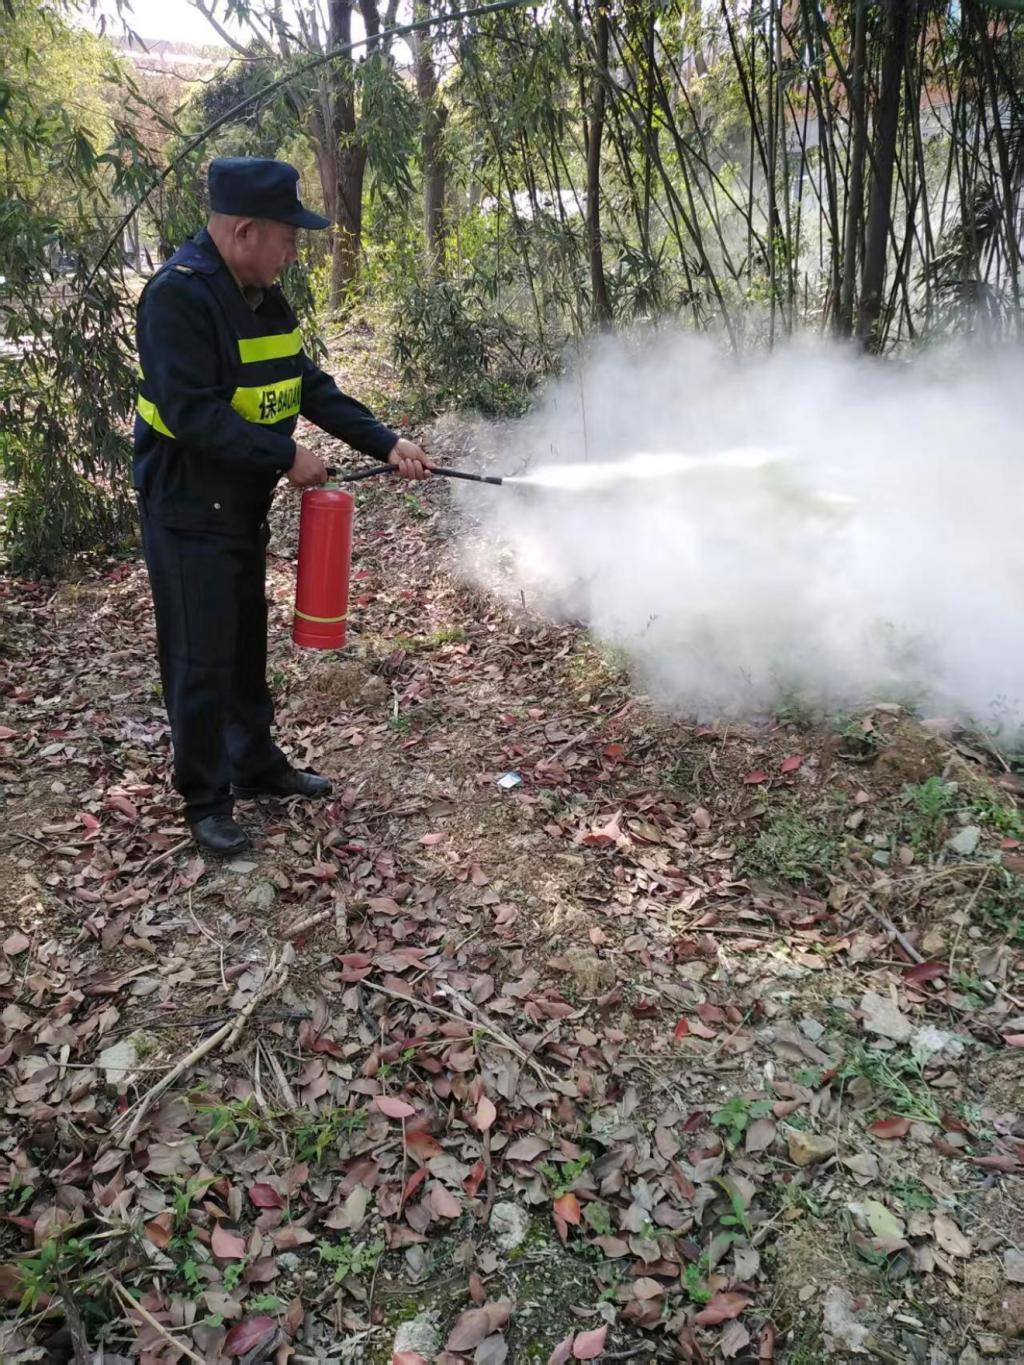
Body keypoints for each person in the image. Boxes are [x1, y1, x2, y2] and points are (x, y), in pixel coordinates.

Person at [133, 156, 432, 856]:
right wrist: (284, 454)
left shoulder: (264, 296)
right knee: (200, 654)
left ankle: (256, 762)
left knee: (242, 643)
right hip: (186, 506)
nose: (294, 252)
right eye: (288, 238)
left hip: (239, 505)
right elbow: (192, 412)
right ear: (244, 231)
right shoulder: (177, 298)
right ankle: (206, 800)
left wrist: (386, 440)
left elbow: (307, 386)